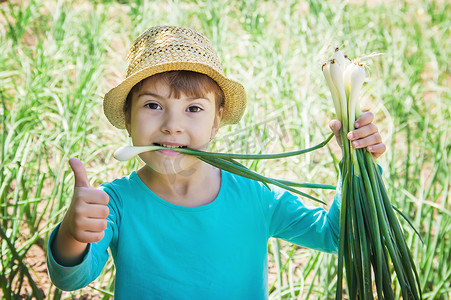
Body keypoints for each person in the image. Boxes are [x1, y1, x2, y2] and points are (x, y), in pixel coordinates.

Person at [47, 25, 386, 299]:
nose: (172, 125)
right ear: (127, 116)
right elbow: (71, 279)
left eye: (193, 108)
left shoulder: (256, 195)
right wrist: (73, 234)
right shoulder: (116, 204)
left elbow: (334, 236)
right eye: (152, 105)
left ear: (217, 120)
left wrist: (358, 166)